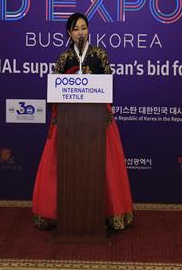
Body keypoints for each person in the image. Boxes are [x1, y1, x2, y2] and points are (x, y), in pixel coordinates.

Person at [32, 12, 133, 231]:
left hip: (98, 123)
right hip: (69, 124)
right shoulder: (64, 58)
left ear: (89, 31)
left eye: (84, 28)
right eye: (76, 29)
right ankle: (62, 213)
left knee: (104, 168)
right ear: (69, 33)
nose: (80, 32)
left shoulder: (100, 55)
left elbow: (108, 85)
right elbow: (55, 90)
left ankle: (108, 214)